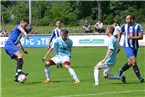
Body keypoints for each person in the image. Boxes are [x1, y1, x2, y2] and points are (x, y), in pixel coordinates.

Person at [118, 14, 144, 83]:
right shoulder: (124, 26)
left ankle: (121, 70)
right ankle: (140, 78)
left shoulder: (138, 26)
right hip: (127, 46)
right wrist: (118, 42)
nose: (126, 20)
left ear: (131, 20)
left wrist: (132, 37)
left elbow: (141, 37)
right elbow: (119, 32)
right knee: (134, 61)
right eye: (126, 19)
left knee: (130, 63)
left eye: (127, 19)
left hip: (135, 47)